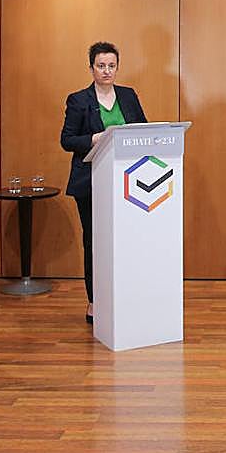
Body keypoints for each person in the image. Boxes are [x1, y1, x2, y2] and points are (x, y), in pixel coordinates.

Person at [60, 41, 147, 324]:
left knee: (126, 240)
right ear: (91, 68)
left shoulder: (128, 95)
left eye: (111, 66)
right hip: (91, 182)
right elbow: (67, 140)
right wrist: (95, 138)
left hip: (127, 181)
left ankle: (127, 296)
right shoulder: (78, 100)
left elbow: (143, 129)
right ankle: (94, 301)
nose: (107, 71)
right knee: (94, 242)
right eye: (101, 66)